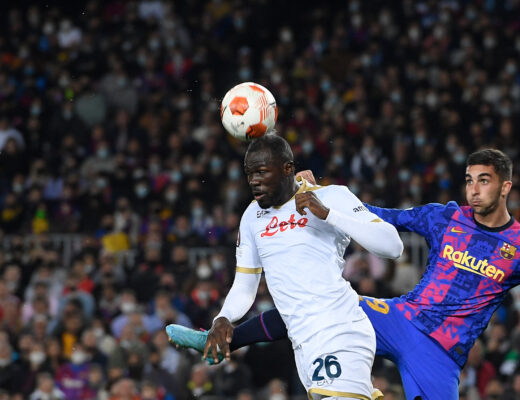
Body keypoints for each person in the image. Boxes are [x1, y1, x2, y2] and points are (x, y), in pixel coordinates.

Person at [167, 148, 519, 400]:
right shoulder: (446, 216)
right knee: (315, 302)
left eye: (484, 181)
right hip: (401, 318)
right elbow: (377, 217)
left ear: (505, 186)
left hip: (441, 352)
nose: (473, 190)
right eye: (469, 180)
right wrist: (318, 194)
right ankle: (221, 339)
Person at [169, 134, 403, 400]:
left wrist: (328, 214)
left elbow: (392, 246)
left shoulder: (331, 196)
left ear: (287, 168)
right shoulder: (252, 216)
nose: (253, 181)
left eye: (261, 172)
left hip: (338, 328)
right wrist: (222, 318)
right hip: (302, 342)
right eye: (249, 174)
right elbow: (245, 286)